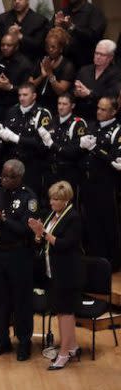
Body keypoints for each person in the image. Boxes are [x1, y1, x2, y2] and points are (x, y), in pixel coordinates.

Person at [0, 159, 38, 361]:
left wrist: (3, 220)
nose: (3, 179)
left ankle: (23, 341)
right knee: (0, 300)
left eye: (8, 177)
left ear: (19, 177)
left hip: (19, 255)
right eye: (2, 175)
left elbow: (25, 229)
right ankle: (1, 340)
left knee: (21, 300)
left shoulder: (28, 197)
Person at [28, 181, 83, 370]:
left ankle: (63, 354)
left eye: (56, 199)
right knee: (61, 311)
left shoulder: (73, 218)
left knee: (65, 313)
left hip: (68, 273)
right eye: (51, 198)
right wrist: (37, 234)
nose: (51, 202)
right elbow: (43, 241)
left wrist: (43, 233)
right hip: (53, 271)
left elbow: (65, 244)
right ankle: (73, 346)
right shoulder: (52, 214)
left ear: (66, 200)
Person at [79, 96, 121, 269]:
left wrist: (94, 148)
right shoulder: (93, 127)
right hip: (89, 183)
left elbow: (117, 161)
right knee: (91, 223)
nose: (99, 111)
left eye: (103, 109)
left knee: (109, 224)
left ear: (113, 111)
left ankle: (113, 262)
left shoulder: (118, 131)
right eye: (98, 108)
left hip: (107, 184)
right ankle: (96, 261)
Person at [0, 83, 53, 197]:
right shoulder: (12, 111)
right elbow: (6, 132)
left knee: (29, 196)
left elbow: (42, 143)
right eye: (20, 95)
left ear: (34, 96)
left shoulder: (42, 114)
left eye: (25, 95)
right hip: (12, 162)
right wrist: (3, 136)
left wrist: (16, 138)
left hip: (31, 163)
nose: (22, 98)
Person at [42, 93, 87, 193]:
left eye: (65, 104)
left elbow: (75, 151)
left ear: (72, 106)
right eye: (59, 103)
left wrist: (53, 145)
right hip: (50, 170)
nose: (61, 107)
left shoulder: (78, 124)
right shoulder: (52, 121)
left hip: (68, 171)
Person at [0, 34, 34, 119]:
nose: (5, 47)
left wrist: (10, 87)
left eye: (9, 45)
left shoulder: (25, 65)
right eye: (3, 45)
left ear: (16, 46)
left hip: (16, 108)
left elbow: (28, 89)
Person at [28, 28, 76, 112]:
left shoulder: (67, 66)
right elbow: (29, 86)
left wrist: (50, 73)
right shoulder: (42, 60)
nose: (50, 50)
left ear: (61, 48)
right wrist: (42, 76)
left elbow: (60, 91)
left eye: (53, 47)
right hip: (36, 104)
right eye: (48, 47)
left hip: (54, 107)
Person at [73, 40, 121, 120]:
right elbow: (72, 91)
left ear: (110, 57)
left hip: (98, 118)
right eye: (96, 53)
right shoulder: (84, 70)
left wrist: (89, 93)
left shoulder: (116, 75)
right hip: (78, 114)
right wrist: (76, 92)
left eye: (102, 55)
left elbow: (110, 99)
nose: (98, 56)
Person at [52, 0, 107, 69]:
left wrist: (71, 27)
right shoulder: (62, 12)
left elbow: (94, 36)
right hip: (66, 66)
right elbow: (50, 39)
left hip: (89, 65)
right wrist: (57, 27)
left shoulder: (94, 12)